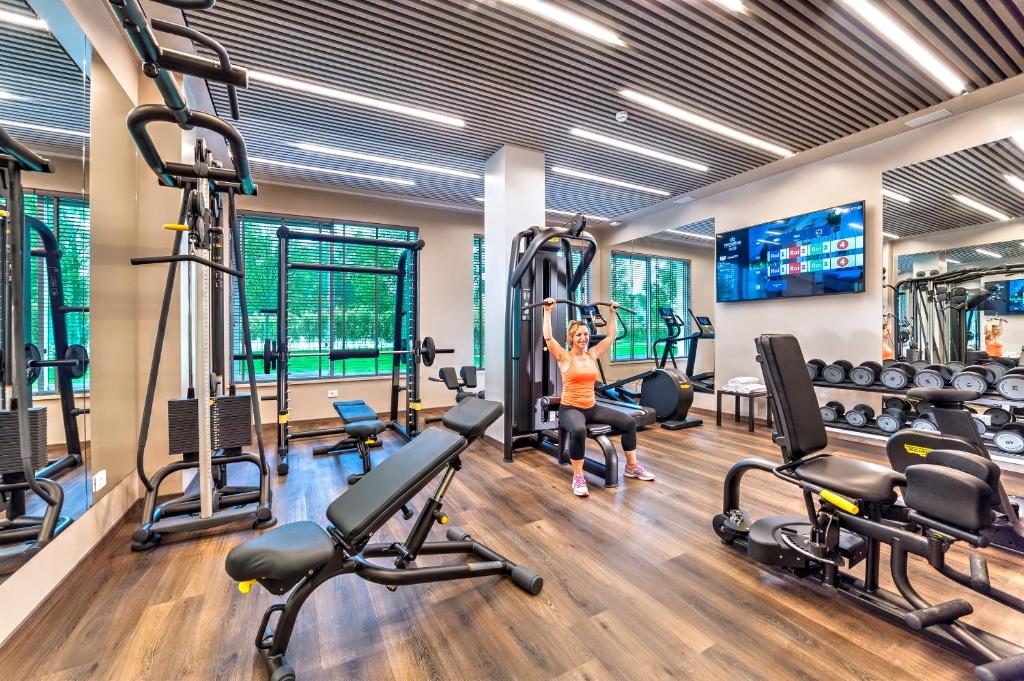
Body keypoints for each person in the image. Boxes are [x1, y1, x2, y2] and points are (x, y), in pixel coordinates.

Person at [542, 297, 654, 497]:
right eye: (578, 335)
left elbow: (610, 337)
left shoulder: (592, 354)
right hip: (570, 408)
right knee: (578, 430)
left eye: (585, 334)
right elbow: (549, 338)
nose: (583, 338)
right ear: (571, 338)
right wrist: (548, 311)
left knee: (629, 422)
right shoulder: (564, 356)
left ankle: (631, 466)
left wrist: (612, 313)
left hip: (591, 407)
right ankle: (578, 476)